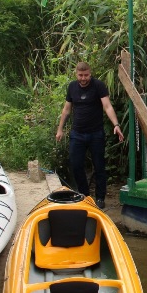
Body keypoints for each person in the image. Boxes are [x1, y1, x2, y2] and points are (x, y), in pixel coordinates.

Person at [55, 62, 124, 208]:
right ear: (76, 74)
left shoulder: (98, 86)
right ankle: (85, 195)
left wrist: (116, 125)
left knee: (99, 166)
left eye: (86, 75)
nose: (83, 78)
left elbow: (107, 106)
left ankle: (100, 198)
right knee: (76, 165)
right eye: (80, 75)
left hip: (96, 134)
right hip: (77, 134)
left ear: (90, 73)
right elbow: (67, 110)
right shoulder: (72, 87)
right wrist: (60, 129)